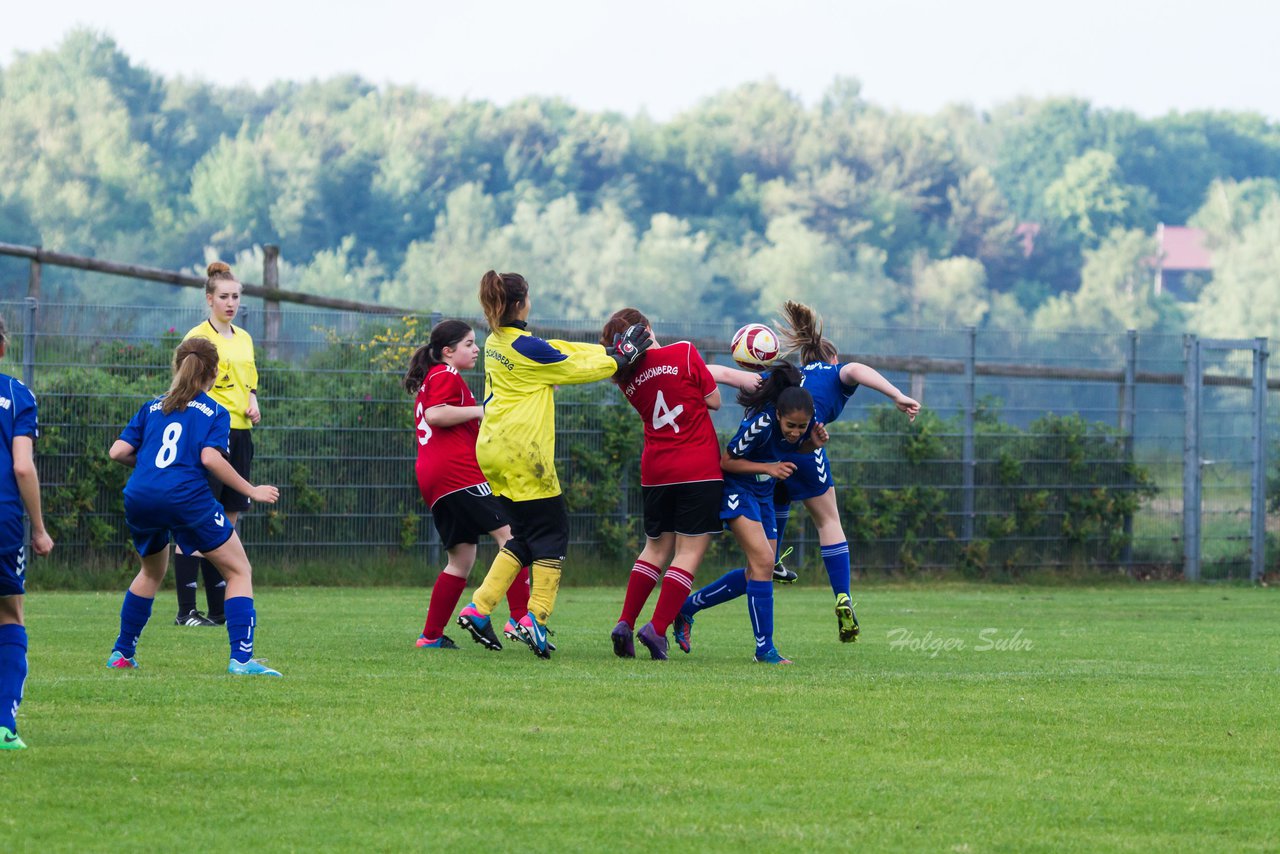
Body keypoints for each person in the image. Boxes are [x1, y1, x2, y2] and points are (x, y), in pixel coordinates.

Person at [455, 270, 651, 658]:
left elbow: (561, 349)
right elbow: (573, 368)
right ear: (520, 303)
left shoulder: (499, 340)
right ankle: (536, 619)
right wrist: (621, 357)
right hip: (523, 454)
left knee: (524, 537)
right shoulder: (528, 349)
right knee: (553, 535)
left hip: (492, 451)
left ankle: (479, 608)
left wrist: (609, 351)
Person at [105, 338, 282, 676]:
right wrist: (251, 490)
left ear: (177, 367)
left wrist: (150, 470)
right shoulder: (215, 411)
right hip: (186, 497)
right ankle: (242, 660)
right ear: (214, 373)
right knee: (238, 571)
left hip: (141, 495)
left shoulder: (152, 407)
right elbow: (209, 458)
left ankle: (122, 652)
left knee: (150, 572)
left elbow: (116, 452)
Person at [768, 300, 920, 642]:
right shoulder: (834, 371)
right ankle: (842, 596)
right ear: (832, 359)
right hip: (807, 448)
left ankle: (773, 560)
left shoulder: (791, 377)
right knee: (828, 521)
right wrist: (896, 394)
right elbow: (858, 370)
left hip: (772, 449)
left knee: (780, 500)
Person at [599, 308, 737, 661]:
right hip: (698, 467)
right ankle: (656, 629)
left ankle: (624, 623)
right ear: (647, 329)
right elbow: (715, 401)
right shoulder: (685, 352)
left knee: (654, 550)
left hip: (657, 471)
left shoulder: (625, 377)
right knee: (688, 552)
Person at [674, 362, 828, 665]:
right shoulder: (759, 424)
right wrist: (768, 468)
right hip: (737, 491)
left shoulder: (805, 427)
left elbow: (789, 448)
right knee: (763, 562)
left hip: (763, 494)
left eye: (802, 426)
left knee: (760, 570)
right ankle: (764, 650)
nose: (796, 432)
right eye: (791, 426)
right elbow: (727, 461)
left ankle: (687, 608)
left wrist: (812, 444)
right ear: (779, 415)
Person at [405, 319, 532, 650]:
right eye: (468, 344)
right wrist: (481, 410)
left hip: (435, 480)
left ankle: (430, 636)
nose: (476, 349)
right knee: (512, 537)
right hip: (456, 474)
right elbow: (436, 415)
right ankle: (520, 618)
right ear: (448, 352)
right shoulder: (446, 375)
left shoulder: (435, 378)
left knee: (460, 560)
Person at [172, 261, 261, 628]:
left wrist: (254, 399)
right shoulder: (197, 338)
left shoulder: (243, 338)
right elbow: (182, 386)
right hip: (206, 434)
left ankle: (219, 609)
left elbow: (249, 381)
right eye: (224, 296)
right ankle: (186, 611)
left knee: (226, 521)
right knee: (196, 520)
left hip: (239, 434)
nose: (231, 302)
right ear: (209, 299)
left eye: (236, 296)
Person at [0, 315, 54, 751]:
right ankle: (3, 726)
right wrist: (38, 528)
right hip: (2, 520)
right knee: (9, 616)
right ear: (2, 348)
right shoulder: (17, 395)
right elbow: (22, 465)